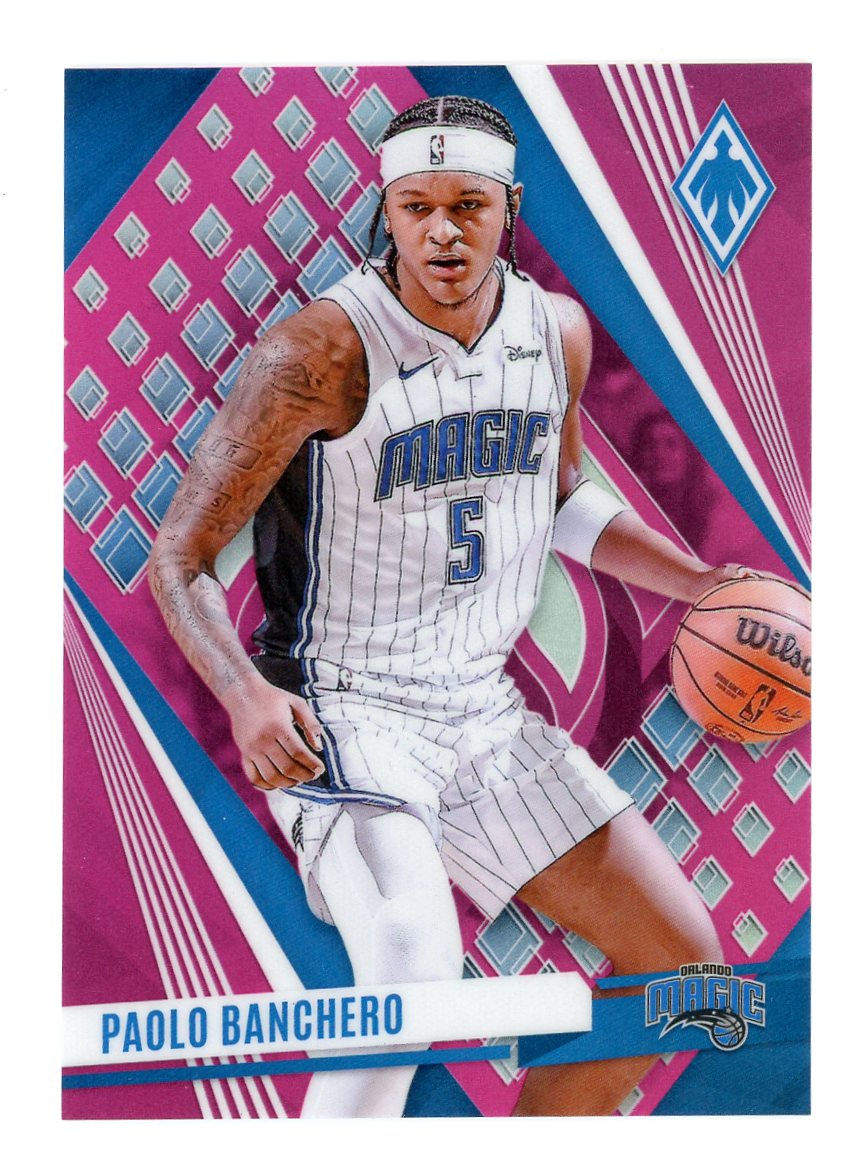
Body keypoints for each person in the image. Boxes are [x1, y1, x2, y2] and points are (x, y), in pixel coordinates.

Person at [149, 95, 750, 1118]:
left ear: (509, 208)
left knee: (684, 969)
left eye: (467, 205)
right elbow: (179, 557)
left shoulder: (554, 332)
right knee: (412, 968)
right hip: (341, 705)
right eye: (416, 207)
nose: (441, 232)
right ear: (386, 209)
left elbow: (557, 499)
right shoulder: (317, 355)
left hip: (481, 707)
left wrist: (701, 585)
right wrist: (245, 694)